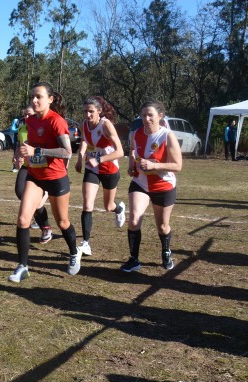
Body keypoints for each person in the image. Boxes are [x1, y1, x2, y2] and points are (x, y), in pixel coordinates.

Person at [9, 81, 79, 283]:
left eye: (38, 96)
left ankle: (74, 252)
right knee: (23, 219)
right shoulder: (30, 121)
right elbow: (29, 144)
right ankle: (23, 266)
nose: (34, 100)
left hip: (56, 178)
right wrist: (22, 153)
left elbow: (67, 152)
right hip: (35, 175)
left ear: (50, 99)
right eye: (32, 96)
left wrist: (37, 151)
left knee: (63, 222)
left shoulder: (56, 121)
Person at [122, 100, 183, 272]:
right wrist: (131, 166)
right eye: (143, 115)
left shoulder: (167, 136)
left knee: (162, 226)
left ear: (160, 116)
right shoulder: (136, 133)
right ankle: (134, 259)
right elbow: (133, 150)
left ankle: (166, 252)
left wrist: (155, 166)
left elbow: (178, 166)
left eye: (150, 115)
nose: (146, 119)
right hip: (140, 183)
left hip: (163, 185)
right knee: (134, 219)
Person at [74, 96, 126, 256]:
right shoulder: (84, 125)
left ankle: (119, 209)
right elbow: (85, 140)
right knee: (87, 204)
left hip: (109, 169)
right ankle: (86, 243)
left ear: (99, 111)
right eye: (85, 112)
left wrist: (99, 159)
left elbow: (120, 152)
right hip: (92, 169)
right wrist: (80, 157)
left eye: (91, 112)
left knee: (108, 206)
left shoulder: (106, 125)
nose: (87, 115)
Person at [13, 106, 53, 241]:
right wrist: (17, 156)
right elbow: (20, 146)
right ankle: (39, 219)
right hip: (26, 167)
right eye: (25, 116)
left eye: (30, 115)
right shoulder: (21, 129)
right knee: (20, 192)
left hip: (41, 168)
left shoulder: (43, 128)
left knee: (36, 203)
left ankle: (46, 228)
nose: (27, 118)